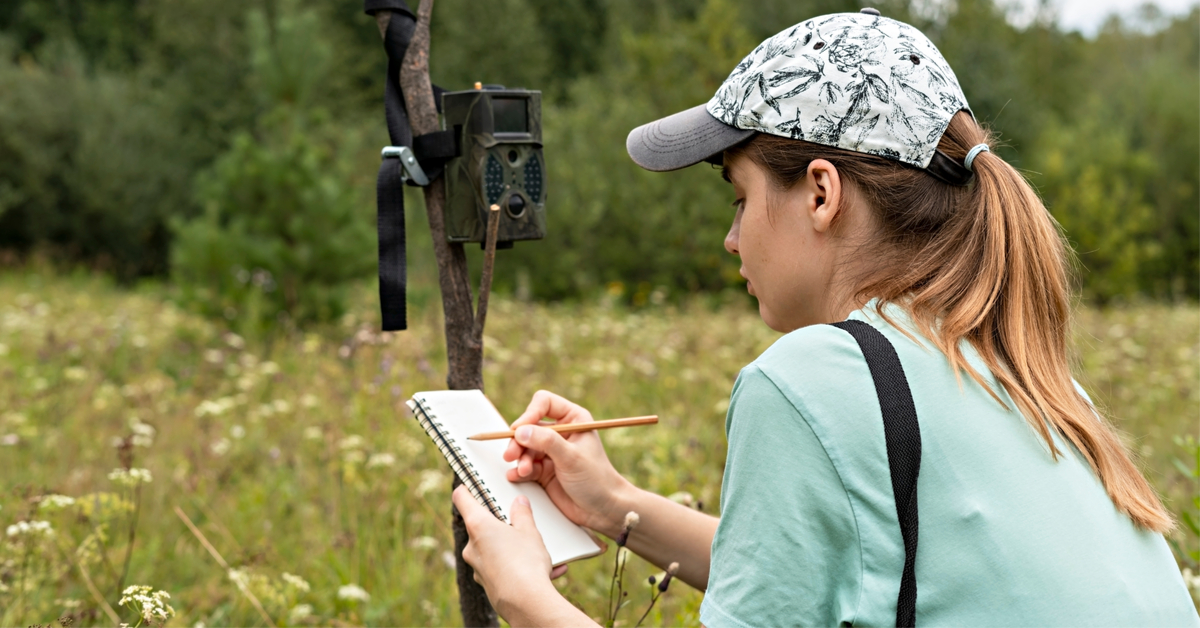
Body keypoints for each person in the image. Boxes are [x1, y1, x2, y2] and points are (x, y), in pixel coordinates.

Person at [450, 10, 1200, 627]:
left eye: (739, 197)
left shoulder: (811, 379)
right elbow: (813, 575)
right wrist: (617, 508)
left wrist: (526, 598)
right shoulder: (1022, 373)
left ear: (820, 193)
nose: (732, 237)